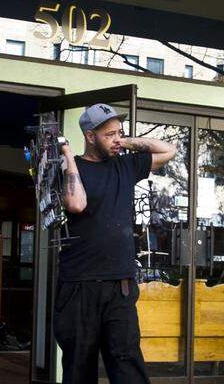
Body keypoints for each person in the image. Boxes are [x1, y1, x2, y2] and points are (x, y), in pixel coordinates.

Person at [54, 103, 177, 384]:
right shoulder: (71, 170)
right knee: (78, 367)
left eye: (118, 132)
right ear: (89, 136)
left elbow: (169, 150)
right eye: (109, 134)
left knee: (127, 364)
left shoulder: (126, 165)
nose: (116, 139)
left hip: (119, 286)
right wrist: (68, 157)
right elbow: (76, 203)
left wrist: (128, 141)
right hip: (79, 285)